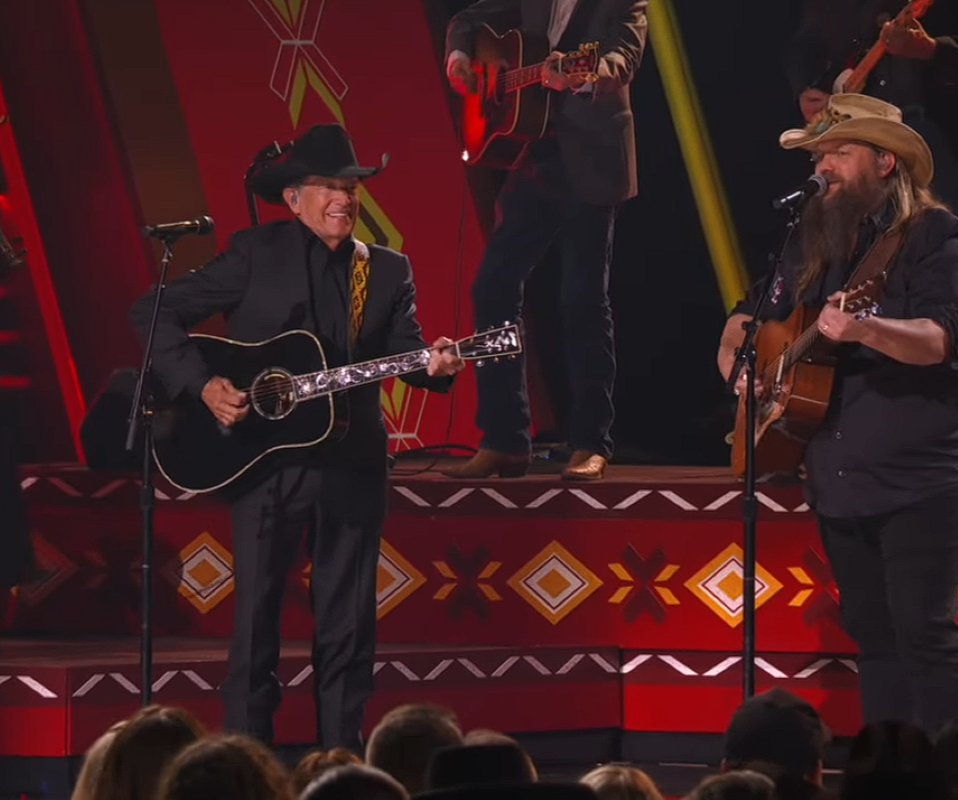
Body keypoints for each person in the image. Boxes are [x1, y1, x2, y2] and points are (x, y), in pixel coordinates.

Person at [129, 123, 465, 751]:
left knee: (347, 630)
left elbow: (408, 355)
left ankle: (340, 764)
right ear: (294, 199)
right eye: (329, 187)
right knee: (255, 626)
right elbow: (154, 310)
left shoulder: (386, 271)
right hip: (264, 466)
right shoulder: (256, 253)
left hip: (353, 466)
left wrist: (437, 366)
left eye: (352, 187)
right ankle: (244, 764)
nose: (343, 198)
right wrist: (203, 386)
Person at [716, 95, 958, 736]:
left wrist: (865, 329)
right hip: (838, 481)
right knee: (875, 641)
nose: (824, 166)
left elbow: (942, 338)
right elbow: (745, 321)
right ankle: (890, 774)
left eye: (839, 152)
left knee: (926, 632)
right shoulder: (811, 241)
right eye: (818, 155)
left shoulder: (940, 238)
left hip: (923, 477)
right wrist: (739, 368)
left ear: (885, 162)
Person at [782, 0, 958, 481]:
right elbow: (808, 38)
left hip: (937, 135)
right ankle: (833, 432)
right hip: (857, 138)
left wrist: (930, 50)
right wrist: (811, 85)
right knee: (839, 269)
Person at [440, 0, 649, 482]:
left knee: (581, 299)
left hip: (593, 159)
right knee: (492, 287)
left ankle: (591, 442)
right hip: (535, 156)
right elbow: (466, 20)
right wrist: (459, 59)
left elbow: (624, 60)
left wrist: (582, 75)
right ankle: (504, 439)